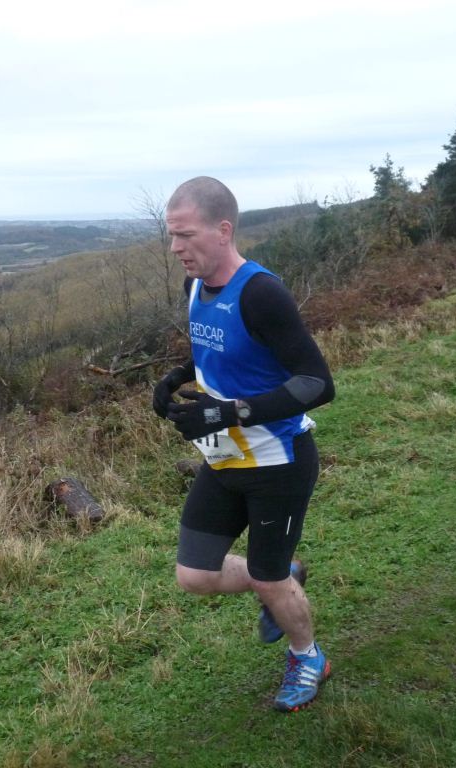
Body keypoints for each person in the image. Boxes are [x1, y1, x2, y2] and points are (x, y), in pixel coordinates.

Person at [152, 176, 335, 712]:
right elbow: (218, 351)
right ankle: (281, 577)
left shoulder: (261, 293)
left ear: (223, 230)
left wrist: (228, 412)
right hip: (226, 458)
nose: (175, 247)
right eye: (171, 235)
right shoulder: (195, 287)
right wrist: (176, 376)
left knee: (267, 576)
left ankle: (308, 657)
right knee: (195, 574)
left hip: (279, 460)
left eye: (185, 235)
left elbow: (318, 383)